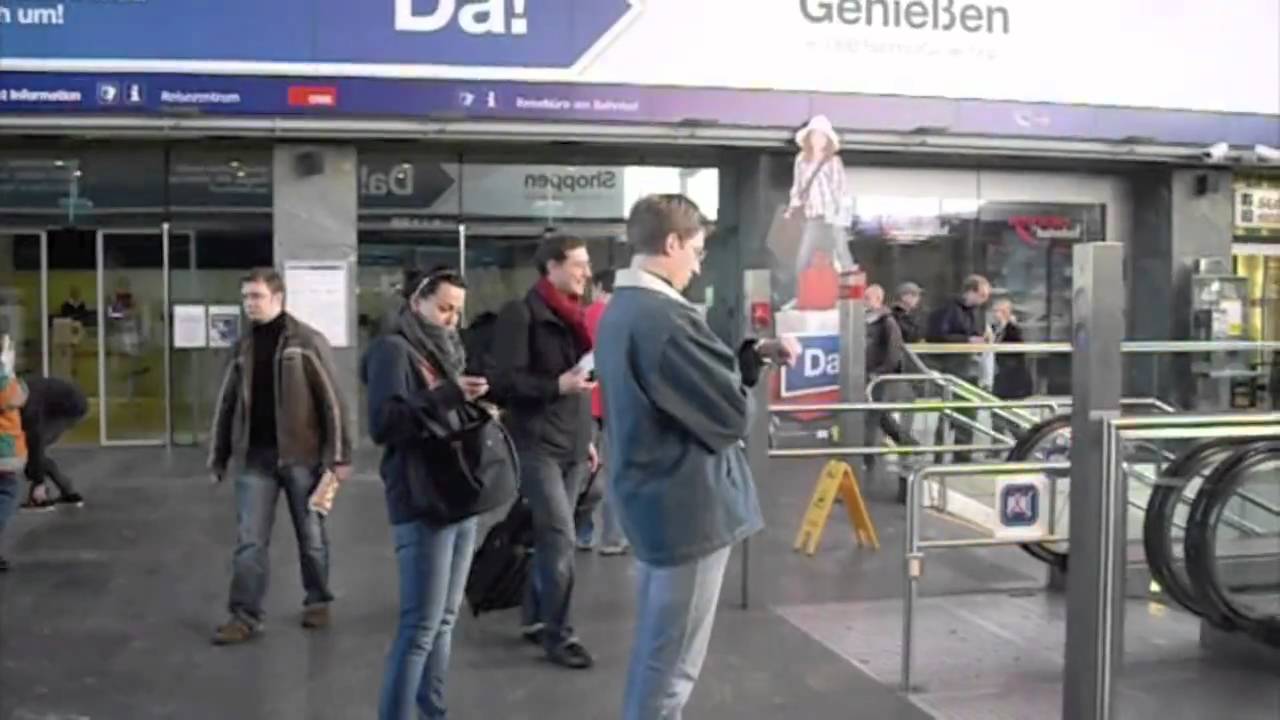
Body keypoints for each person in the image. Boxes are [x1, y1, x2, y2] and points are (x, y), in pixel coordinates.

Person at [597, 194, 799, 720]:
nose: (698, 263)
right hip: (687, 509)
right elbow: (729, 415)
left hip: (654, 502)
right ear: (671, 244)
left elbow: (680, 391)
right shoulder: (663, 318)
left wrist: (747, 359)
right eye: (697, 249)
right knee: (671, 669)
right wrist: (745, 381)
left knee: (657, 650)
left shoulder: (624, 312)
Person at [363, 267, 496, 720]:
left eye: (457, 312)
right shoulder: (392, 350)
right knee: (420, 625)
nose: (451, 320)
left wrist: (472, 406)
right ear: (416, 302)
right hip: (421, 499)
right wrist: (446, 395)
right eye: (443, 308)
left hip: (456, 493)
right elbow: (384, 425)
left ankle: (432, 711)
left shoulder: (443, 351)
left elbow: (441, 413)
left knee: (444, 620)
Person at [208, 267, 353, 645]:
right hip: (254, 460)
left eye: (256, 297)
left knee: (312, 536)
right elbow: (226, 404)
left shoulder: (305, 342)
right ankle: (244, 615)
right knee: (249, 542)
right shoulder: (242, 347)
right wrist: (218, 456)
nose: (249, 305)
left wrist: (338, 457)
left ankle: (318, 599)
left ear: (278, 298)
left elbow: (332, 402)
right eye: (245, 298)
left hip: (301, 459)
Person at [488, 234, 599, 670]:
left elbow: (580, 386)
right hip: (535, 444)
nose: (585, 273)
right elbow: (501, 381)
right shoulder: (521, 314)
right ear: (551, 267)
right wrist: (555, 386)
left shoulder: (577, 317)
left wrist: (585, 438)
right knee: (560, 537)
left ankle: (536, 616)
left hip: (570, 441)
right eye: (578, 264)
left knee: (552, 535)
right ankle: (560, 634)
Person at [573, 269, 628, 556]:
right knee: (616, 471)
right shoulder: (624, 319)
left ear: (596, 287)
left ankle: (583, 533)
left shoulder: (583, 316)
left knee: (587, 471)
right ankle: (614, 537)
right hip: (617, 404)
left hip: (585, 403)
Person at [926, 274, 992, 463]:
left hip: (971, 366)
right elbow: (938, 335)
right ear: (970, 292)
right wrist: (966, 340)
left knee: (968, 412)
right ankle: (939, 456)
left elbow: (977, 332)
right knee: (948, 411)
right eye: (981, 295)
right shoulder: (949, 309)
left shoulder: (977, 313)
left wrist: (981, 339)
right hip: (953, 366)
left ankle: (963, 455)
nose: (983, 300)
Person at [786, 114, 853, 283]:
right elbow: (798, 187)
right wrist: (792, 207)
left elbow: (840, 189)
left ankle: (848, 280)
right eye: (815, 135)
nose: (818, 139)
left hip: (831, 214)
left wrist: (841, 214)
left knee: (840, 251)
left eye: (822, 136)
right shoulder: (801, 160)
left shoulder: (833, 161)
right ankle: (803, 291)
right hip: (813, 216)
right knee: (803, 259)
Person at [20, 376, 89, 510]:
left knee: (33, 447)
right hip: (62, 405)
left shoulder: (29, 405)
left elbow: (36, 440)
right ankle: (68, 491)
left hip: (70, 410)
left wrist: (37, 479)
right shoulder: (20, 392)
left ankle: (40, 495)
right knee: (31, 449)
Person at [0, 334, 28, 573]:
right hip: (3, 446)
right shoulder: (2, 375)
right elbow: (14, 397)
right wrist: (7, 370)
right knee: (6, 492)